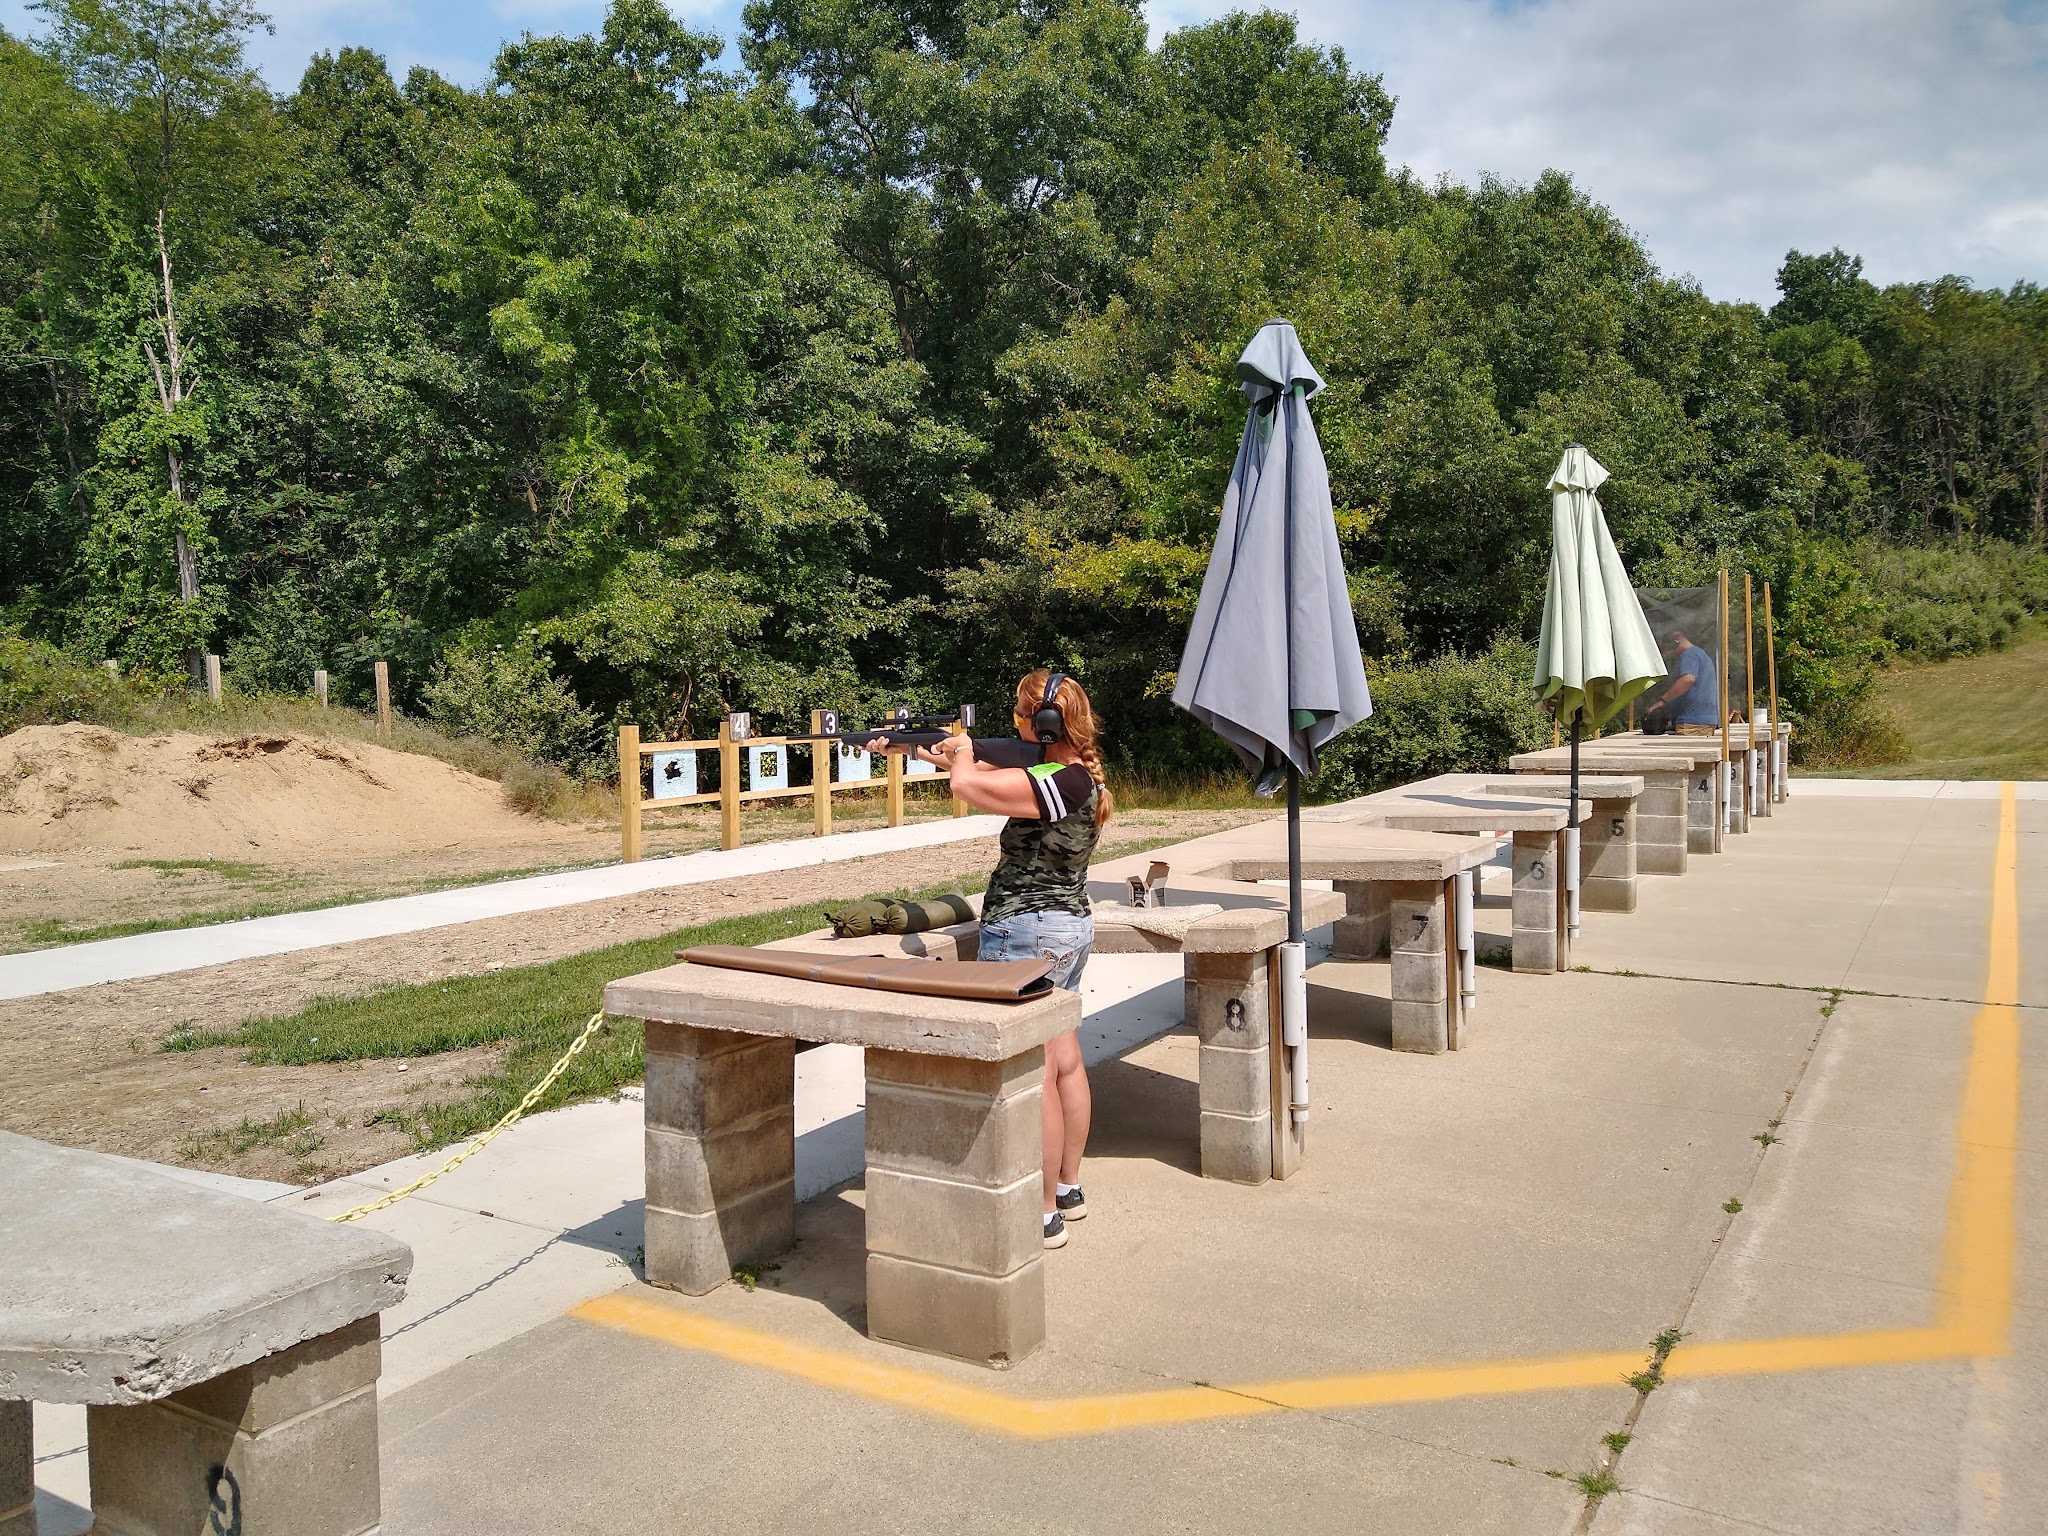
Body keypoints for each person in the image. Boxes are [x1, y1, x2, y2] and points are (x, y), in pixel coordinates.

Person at [908, 671, 1112, 1250]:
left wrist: (965, 757)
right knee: (1064, 1057)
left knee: (1039, 1070)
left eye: (1022, 718)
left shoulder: (1066, 783)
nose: (1016, 726)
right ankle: (1067, 1188)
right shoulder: (1066, 774)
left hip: (1028, 934)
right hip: (1063, 927)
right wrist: (934, 750)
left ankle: (1042, 1210)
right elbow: (995, 774)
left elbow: (973, 789)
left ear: (1045, 725)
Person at [1645, 628, 1721, 732]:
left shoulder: (1690, 655)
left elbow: (1688, 679)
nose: (1669, 653)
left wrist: (1662, 701)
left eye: (1668, 649)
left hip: (1692, 722)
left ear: (1675, 642)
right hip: (1698, 721)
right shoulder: (1698, 654)